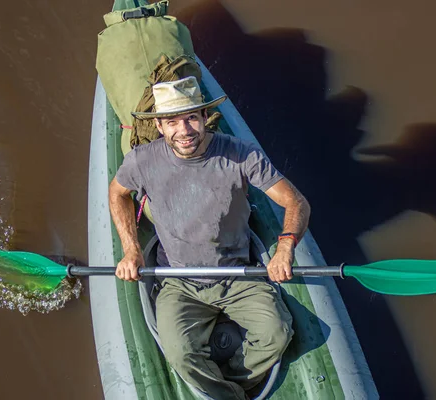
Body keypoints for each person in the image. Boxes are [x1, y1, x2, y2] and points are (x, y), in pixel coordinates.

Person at [108, 76, 311, 400]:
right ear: (160, 126)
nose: (184, 130)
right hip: (177, 279)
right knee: (181, 355)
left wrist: (285, 247)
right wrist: (131, 250)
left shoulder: (241, 154)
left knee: (276, 333)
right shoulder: (141, 161)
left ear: (205, 118)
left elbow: (295, 201)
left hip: (238, 272)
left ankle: (227, 383)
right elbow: (118, 194)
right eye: (172, 121)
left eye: (190, 118)